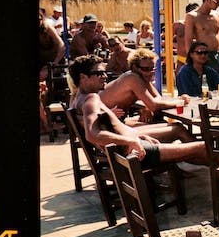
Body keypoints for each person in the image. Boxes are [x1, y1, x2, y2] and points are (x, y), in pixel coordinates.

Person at [68, 54, 206, 168]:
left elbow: (111, 129)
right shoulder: (90, 99)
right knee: (203, 147)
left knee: (188, 140)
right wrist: (131, 141)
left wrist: (138, 136)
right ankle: (216, 176)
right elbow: (92, 135)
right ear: (83, 77)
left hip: (127, 151)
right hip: (136, 154)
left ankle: (212, 171)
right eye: (99, 73)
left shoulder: (78, 98)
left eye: (104, 72)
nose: (104, 76)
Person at [183, 0, 219, 80]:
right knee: (205, 85)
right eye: (216, 2)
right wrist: (191, 60)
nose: (218, 5)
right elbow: (188, 40)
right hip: (202, 55)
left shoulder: (217, 16)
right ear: (207, 0)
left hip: (217, 56)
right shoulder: (192, 16)